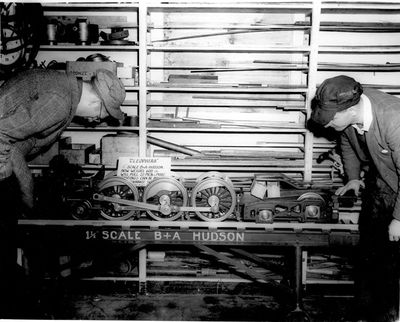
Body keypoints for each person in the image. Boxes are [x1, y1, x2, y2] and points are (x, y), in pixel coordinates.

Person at [0, 68, 125, 317]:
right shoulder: (59, 101)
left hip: (9, 154)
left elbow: (18, 140)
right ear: (94, 98)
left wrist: (24, 187)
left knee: (24, 226)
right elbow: (2, 132)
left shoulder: (65, 91)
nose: (97, 120)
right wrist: (5, 176)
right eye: (103, 113)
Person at [309, 75, 400, 322]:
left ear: (349, 110)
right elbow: (348, 144)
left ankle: (391, 316)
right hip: (382, 179)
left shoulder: (394, 119)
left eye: (331, 119)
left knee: (392, 258)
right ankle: (366, 312)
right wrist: (352, 177)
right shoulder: (350, 114)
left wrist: (398, 219)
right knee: (369, 250)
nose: (326, 125)